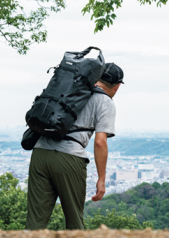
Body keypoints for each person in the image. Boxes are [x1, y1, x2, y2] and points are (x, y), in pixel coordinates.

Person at [25, 63, 124, 230]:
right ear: (117, 86)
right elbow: (100, 142)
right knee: (74, 224)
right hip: (69, 158)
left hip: (40, 152)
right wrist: (101, 179)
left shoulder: (70, 88)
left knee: (34, 224)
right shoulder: (105, 102)